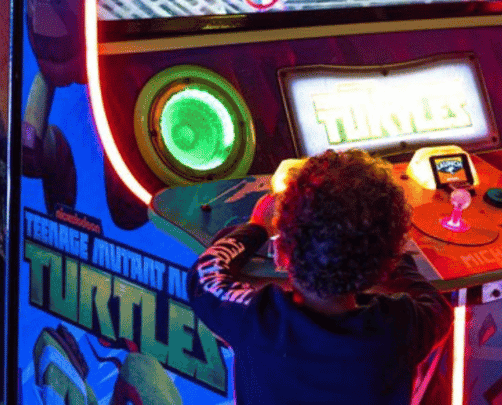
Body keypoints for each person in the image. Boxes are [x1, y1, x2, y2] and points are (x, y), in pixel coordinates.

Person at [187, 149, 453, 405]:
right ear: (385, 261)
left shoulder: (256, 320)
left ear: (282, 253)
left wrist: (256, 227)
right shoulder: (400, 326)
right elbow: (437, 307)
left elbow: (205, 275)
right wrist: (389, 253)